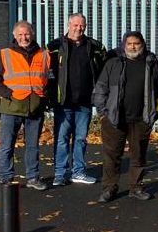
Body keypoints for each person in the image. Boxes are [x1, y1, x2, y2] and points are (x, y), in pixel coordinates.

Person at [93, 31, 158, 203]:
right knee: (112, 156)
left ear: (143, 44)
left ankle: (136, 187)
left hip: (141, 120)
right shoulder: (113, 64)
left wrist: (156, 114)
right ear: (124, 45)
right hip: (114, 118)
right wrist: (103, 113)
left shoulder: (152, 64)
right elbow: (100, 89)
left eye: (137, 43)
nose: (133, 47)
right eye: (130, 43)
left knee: (139, 156)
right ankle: (109, 188)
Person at [47, 13, 108, 186]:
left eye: (82, 25)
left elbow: (104, 69)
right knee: (62, 138)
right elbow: (47, 72)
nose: (78, 28)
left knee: (81, 138)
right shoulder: (55, 46)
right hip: (63, 101)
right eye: (75, 25)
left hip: (85, 102)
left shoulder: (94, 46)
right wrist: (50, 95)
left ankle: (79, 172)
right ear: (68, 25)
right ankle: (60, 173)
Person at [0, 21, 51, 191]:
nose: (24, 37)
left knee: (33, 145)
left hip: (35, 107)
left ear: (32, 34)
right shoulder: (4, 54)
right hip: (11, 107)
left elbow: (49, 78)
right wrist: (7, 93)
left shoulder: (44, 54)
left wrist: (45, 96)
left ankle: (33, 177)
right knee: (7, 145)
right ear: (15, 36)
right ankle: (6, 179)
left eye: (26, 34)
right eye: (20, 35)